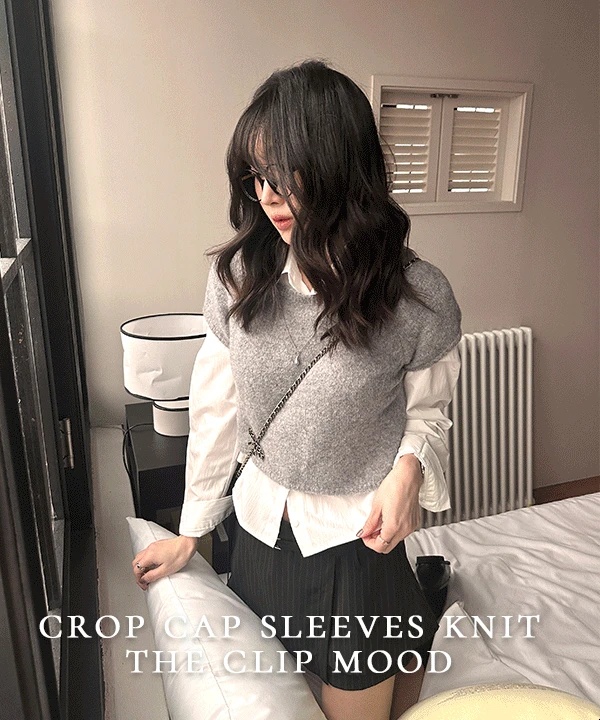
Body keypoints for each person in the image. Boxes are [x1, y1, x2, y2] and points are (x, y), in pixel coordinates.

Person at [132, 59, 462, 720]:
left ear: (341, 166)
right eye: (256, 176)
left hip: (357, 549)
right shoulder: (239, 277)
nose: (267, 196)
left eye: (285, 175)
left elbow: (429, 409)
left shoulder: (417, 297)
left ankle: (416, 611)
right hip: (259, 536)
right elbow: (217, 409)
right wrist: (192, 531)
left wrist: (408, 471)